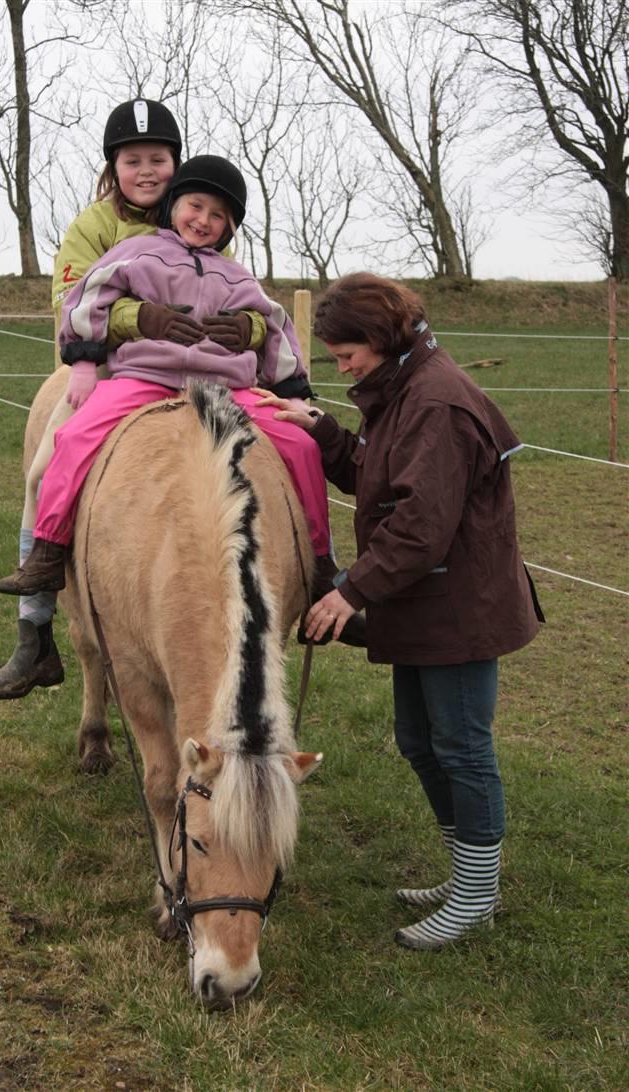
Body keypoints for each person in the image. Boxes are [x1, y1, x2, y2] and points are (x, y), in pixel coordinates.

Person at [254, 273, 543, 950]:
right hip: (425, 601)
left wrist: (350, 591)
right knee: (421, 741)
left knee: (463, 748)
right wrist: (323, 431)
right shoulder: (404, 388)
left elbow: (420, 525)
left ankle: (476, 896)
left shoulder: (436, 402)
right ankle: (470, 875)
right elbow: (383, 480)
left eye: (346, 350)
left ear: (381, 336)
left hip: (459, 606)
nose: (341, 363)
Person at [0, 156, 366, 649]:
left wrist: (287, 384)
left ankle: (319, 564)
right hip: (148, 374)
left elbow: (273, 323)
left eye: (218, 216)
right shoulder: (140, 253)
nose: (203, 220)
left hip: (226, 386)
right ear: (174, 206)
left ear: (229, 227)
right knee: (74, 436)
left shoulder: (234, 274)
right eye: (195, 206)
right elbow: (89, 296)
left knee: (301, 445)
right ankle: (48, 548)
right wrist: (87, 353)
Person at [0, 99, 270, 701]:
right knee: (44, 469)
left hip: (198, 373)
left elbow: (238, 294)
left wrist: (247, 329)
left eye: (157, 159)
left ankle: (302, 568)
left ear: (174, 162)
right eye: (132, 159)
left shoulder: (200, 216)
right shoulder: (93, 226)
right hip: (109, 368)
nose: (146, 171)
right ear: (115, 166)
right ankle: (35, 629)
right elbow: (76, 300)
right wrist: (144, 319)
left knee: (275, 452)